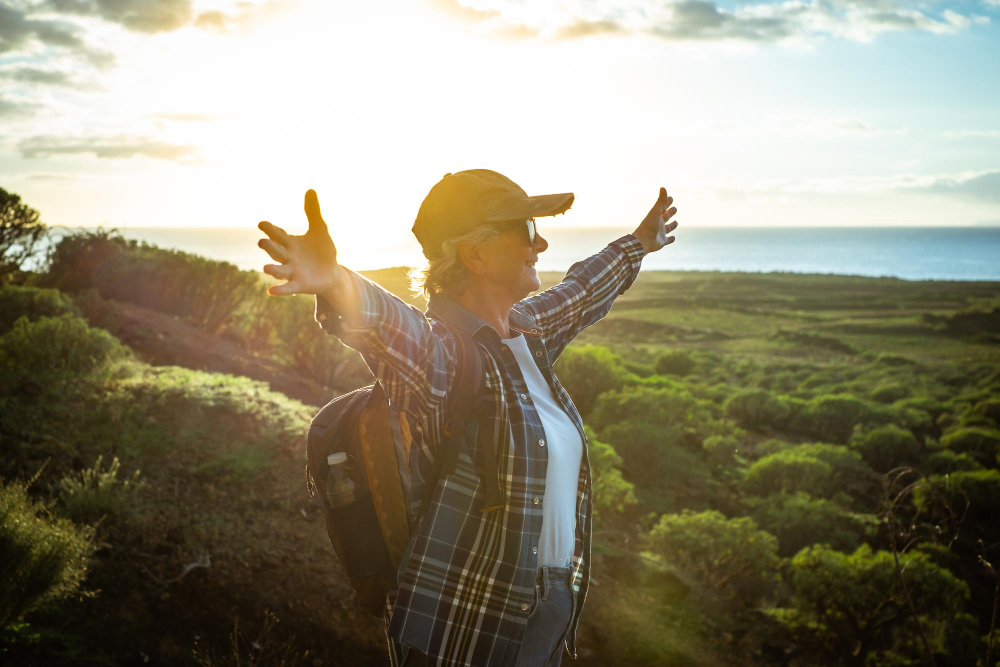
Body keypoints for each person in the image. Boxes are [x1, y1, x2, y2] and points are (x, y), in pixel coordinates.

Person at [257, 170, 678, 667]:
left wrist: (638, 245)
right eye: (525, 231)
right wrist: (335, 282)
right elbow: (394, 327)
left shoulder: (527, 330)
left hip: (551, 608)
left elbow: (581, 293)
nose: (540, 243)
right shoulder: (446, 356)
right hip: (471, 621)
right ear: (475, 254)